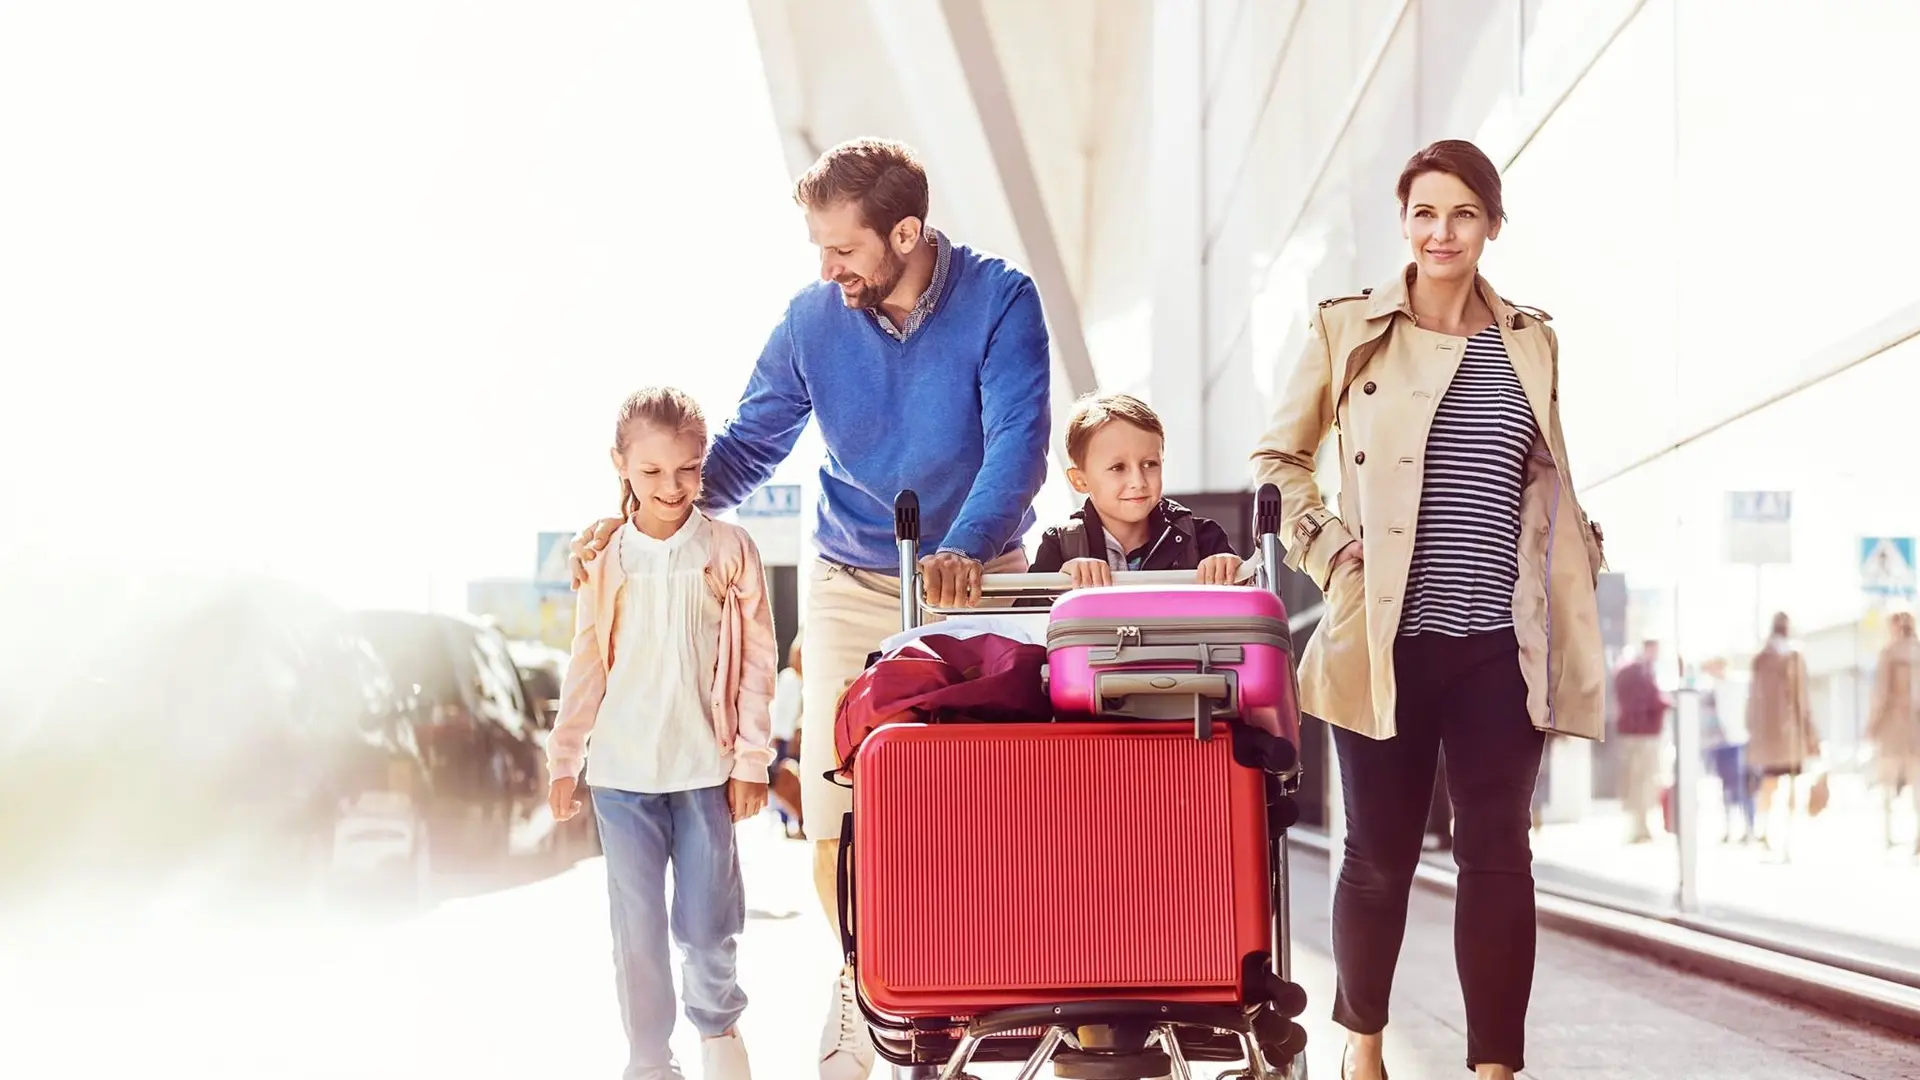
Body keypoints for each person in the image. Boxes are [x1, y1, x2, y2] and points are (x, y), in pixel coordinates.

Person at [568, 138, 1052, 1080]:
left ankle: (956, 988)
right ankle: (865, 987)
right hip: (851, 581)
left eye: (842, 249)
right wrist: (644, 519)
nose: (826, 269)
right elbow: (748, 445)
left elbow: (1019, 442)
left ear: (905, 233)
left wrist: (964, 548)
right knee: (840, 809)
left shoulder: (1001, 300)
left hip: (975, 581)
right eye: (817, 248)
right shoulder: (812, 320)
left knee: (976, 805)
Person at [1250, 139, 1606, 1080]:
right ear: (1403, 223)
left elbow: (1543, 469)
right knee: (1378, 855)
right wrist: (1327, 551)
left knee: (1500, 854)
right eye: (1423, 213)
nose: (1440, 232)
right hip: (1386, 637)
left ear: (1490, 223)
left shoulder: (1531, 338)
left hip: (1500, 642)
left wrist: (1581, 543)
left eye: (1461, 213)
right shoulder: (1348, 328)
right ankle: (1362, 1044)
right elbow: (1276, 465)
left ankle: (1495, 1067)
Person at [547, 387, 777, 1080]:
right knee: (637, 935)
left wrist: (752, 760)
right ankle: (649, 1059)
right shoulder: (604, 556)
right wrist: (566, 755)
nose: (671, 487)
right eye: (650, 472)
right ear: (620, 465)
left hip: (703, 771)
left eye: (687, 470)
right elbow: (587, 656)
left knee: (709, 929)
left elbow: (758, 660)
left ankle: (719, 1030)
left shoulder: (729, 549)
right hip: (622, 779)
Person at [1029, 393, 1242, 585]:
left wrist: (1235, 576)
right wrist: (1057, 586)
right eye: (1118, 468)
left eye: (1150, 464)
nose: (1138, 481)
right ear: (1080, 481)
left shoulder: (1204, 540)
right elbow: (1022, 622)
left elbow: (1247, 615)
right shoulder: (1060, 547)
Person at [1745, 612, 1820, 849]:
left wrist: (1752, 730)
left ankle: (1763, 828)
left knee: (1769, 782)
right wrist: (1810, 732)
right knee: (1790, 783)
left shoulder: (1760, 658)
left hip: (1766, 734)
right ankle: (1786, 836)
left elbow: (1752, 700)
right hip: (1789, 731)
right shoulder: (1793, 657)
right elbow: (1801, 700)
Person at [1867, 611, 1919, 852]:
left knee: (1888, 782)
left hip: (1893, 727)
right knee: (1917, 783)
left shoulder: (1889, 654)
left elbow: (1880, 695)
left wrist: (1871, 726)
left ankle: (1889, 835)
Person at [1612, 641, 1669, 843]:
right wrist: (1668, 703)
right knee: (1644, 780)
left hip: (1628, 733)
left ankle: (1638, 825)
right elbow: (1652, 700)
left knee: (1633, 780)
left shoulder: (1622, 670)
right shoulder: (1642, 672)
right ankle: (1640, 827)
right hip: (1644, 734)